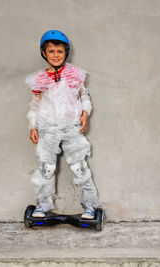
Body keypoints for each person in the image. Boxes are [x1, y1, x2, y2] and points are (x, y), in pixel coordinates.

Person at [25, 30, 99, 219]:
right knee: (46, 168)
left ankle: (89, 205)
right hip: (48, 128)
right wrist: (32, 125)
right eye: (51, 51)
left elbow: (84, 96)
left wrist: (85, 114)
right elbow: (35, 104)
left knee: (78, 166)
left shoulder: (74, 74)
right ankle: (42, 204)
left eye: (59, 51)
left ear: (65, 52)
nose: (56, 55)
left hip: (71, 127)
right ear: (44, 53)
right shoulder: (40, 79)